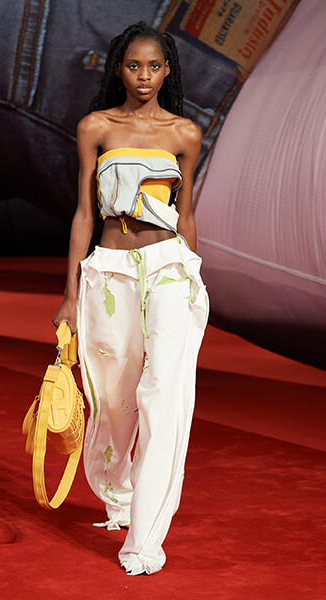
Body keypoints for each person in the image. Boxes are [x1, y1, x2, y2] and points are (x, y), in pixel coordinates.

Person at [53, 21, 209, 575]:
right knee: (115, 398)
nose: (144, 76)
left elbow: (185, 217)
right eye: (134, 65)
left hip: (168, 269)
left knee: (164, 394)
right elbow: (83, 214)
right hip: (110, 272)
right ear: (119, 69)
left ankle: (144, 539)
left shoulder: (184, 134)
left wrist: (193, 280)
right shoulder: (96, 127)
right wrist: (70, 294)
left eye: (154, 66)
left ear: (167, 71)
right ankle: (118, 493)